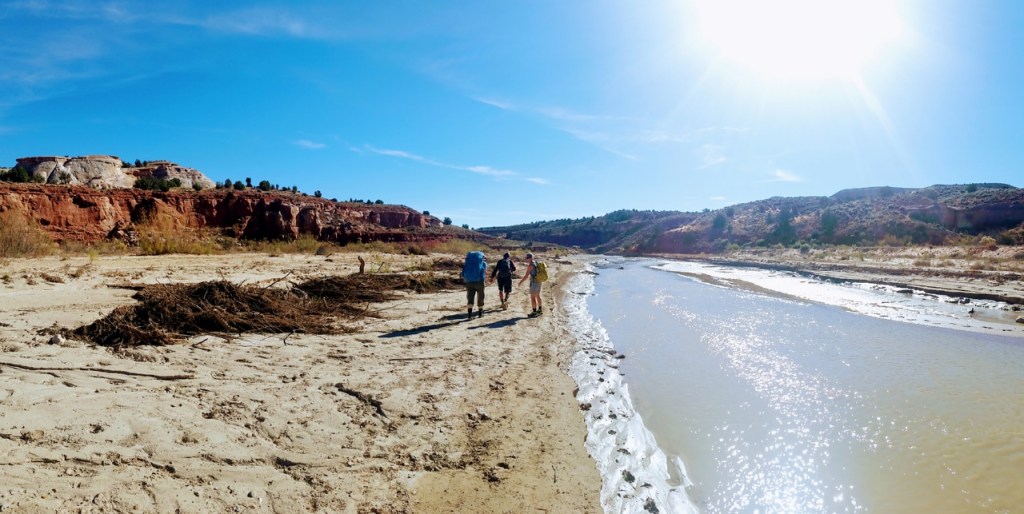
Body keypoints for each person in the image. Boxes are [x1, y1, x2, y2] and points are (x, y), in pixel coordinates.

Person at [461, 250, 487, 320]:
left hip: (469, 282)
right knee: (480, 297)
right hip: (479, 282)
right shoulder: (483, 263)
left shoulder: (467, 263)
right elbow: (484, 273)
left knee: (470, 298)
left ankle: (469, 316)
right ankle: (480, 314)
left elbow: (463, 273)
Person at [518, 252, 543, 317]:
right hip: (539, 281)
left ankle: (534, 312)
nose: (526, 259)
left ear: (530, 258)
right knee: (537, 296)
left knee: (532, 298)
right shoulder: (536, 263)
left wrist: (520, 282)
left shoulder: (530, 265)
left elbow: (526, 276)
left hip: (534, 282)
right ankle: (540, 310)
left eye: (527, 258)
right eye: (526, 258)